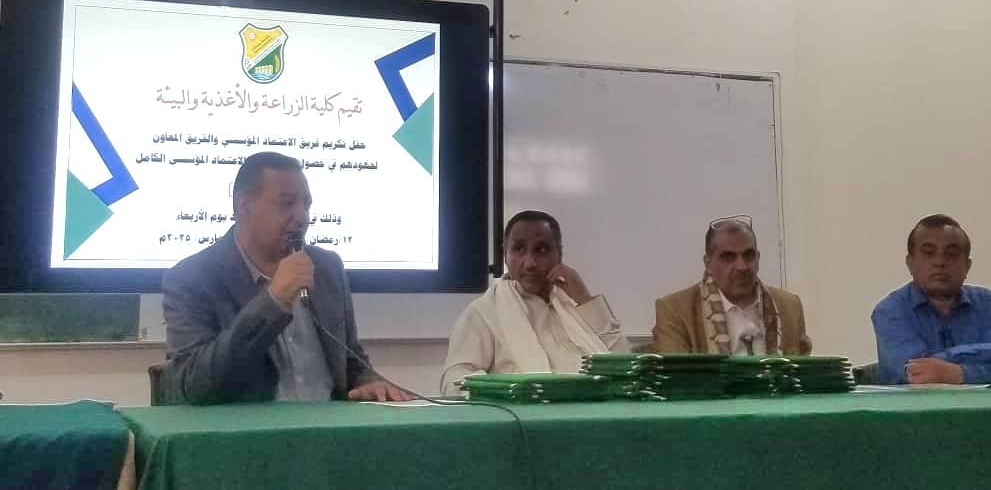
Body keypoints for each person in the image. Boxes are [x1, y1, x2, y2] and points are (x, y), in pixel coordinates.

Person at [162, 152, 409, 404]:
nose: (302, 217)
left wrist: (369, 382)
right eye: (286, 203)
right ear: (243, 206)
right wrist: (273, 302)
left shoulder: (327, 267)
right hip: (251, 428)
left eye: (306, 204)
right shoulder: (191, 279)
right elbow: (194, 384)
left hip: (332, 424)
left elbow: (352, 359)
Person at [439, 210, 629, 395]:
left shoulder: (575, 304)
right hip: (522, 413)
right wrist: (507, 391)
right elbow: (453, 379)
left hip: (597, 409)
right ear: (505, 255)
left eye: (542, 250)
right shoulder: (484, 312)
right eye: (519, 249)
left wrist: (585, 300)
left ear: (559, 254)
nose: (530, 263)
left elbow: (627, 368)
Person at [871, 214, 991, 385]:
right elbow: (918, 373)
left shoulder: (989, 305)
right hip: (915, 403)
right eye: (929, 253)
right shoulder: (890, 311)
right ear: (910, 263)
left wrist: (958, 374)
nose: (940, 262)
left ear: (967, 266)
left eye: (951, 254)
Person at [652, 215, 812, 355]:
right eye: (728, 257)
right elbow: (677, 377)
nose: (742, 266)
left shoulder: (789, 306)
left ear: (758, 258)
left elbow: (803, 373)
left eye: (748, 255)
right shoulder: (675, 310)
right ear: (708, 263)